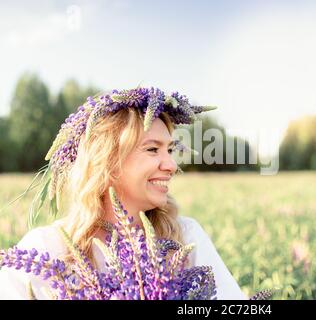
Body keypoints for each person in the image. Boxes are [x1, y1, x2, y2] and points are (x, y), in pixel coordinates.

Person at [0, 88, 248, 300]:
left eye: (170, 150)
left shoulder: (186, 237)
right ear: (107, 163)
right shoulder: (47, 248)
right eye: (153, 149)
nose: (171, 165)